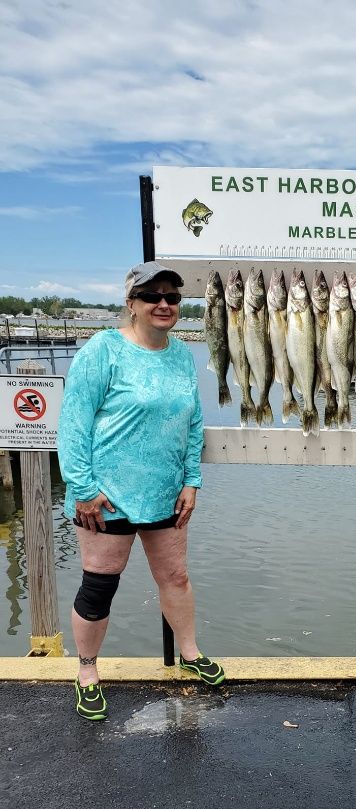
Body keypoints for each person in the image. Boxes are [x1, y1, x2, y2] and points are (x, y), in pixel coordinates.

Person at [58, 261, 225, 721]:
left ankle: (190, 654)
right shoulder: (102, 350)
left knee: (176, 578)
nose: (164, 304)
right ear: (131, 303)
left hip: (166, 493)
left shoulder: (180, 355)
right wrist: (83, 488)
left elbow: (191, 424)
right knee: (99, 585)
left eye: (172, 296)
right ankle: (88, 672)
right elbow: (72, 426)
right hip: (105, 495)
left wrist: (192, 479)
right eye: (152, 296)